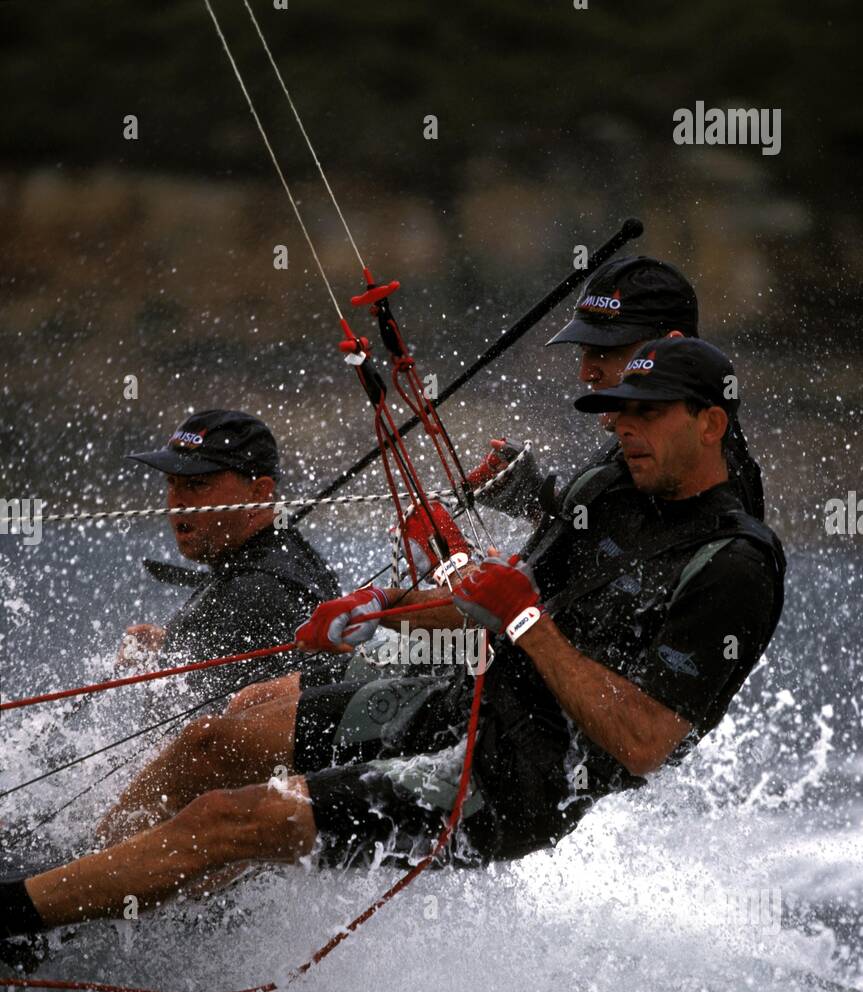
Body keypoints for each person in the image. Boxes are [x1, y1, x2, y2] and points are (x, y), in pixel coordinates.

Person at [0, 338, 785, 939]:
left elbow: (643, 741)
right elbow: (493, 604)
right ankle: (76, 880)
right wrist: (373, 618)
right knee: (216, 739)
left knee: (234, 818)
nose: (620, 428)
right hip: (464, 696)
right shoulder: (609, 488)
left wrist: (525, 622)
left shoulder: (733, 566)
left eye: (644, 414)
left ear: (710, 422)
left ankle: (22, 923)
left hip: (514, 780)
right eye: (615, 411)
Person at [470, 255, 765, 524]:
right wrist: (534, 505)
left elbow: (642, 569)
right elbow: (597, 556)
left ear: (670, 344)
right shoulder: (649, 446)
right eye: (585, 350)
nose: (586, 373)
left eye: (606, 351)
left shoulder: (692, 473)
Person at [118, 409, 342, 696]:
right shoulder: (287, 554)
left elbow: (200, 731)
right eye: (172, 483)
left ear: (260, 492)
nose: (176, 503)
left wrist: (177, 654)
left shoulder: (255, 592)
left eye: (197, 484)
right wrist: (169, 648)